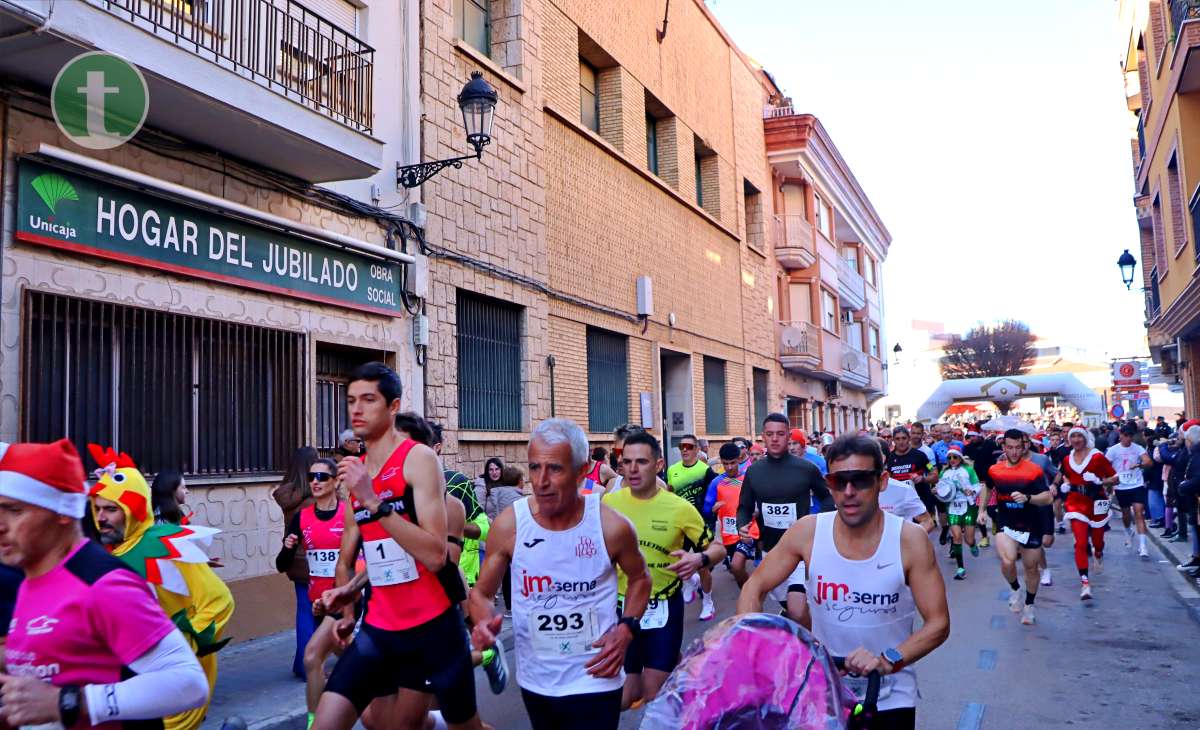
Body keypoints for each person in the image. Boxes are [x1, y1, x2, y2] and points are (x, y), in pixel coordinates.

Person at [736, 435, 950, 730]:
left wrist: (887, 660)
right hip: (824, 691)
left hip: (890, 695)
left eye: (860, 480)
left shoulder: (909, 539)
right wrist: (751, 644)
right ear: (828, 484)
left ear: (882, 481)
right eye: (839, 482)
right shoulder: (808, 532)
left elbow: (938, 623)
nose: (849, 492)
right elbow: (754, 585)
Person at [314, 362, 484, 730]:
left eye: (369, 400)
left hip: (433, 629)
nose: (356, 409)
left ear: (392, 407)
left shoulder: (417, 459)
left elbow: (436, 554)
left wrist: (373, 502)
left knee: (464, 728)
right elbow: (380, 553)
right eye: (351, 400)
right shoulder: (356, 470)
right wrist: (347, 593)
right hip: (378, 627)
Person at [0, 438, 210, 728]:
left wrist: (67, 702)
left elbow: (188, 683)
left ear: (61, 512)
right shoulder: (30, 579)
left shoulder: (102, 583)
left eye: (14, 510)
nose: (0, 524)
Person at [468, 419, 650, 730]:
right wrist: (484, 622)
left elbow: (640, 578)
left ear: (581, 472)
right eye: (535, 468)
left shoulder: (610, 525)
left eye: (555, 469)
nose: (541, 481)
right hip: (537, 678)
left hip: (597, 677)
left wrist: (626, 630)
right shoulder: (511, 525)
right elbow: (482, 594)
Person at [87, 444, 235, 730]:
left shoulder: (166, 545)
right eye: (97, 509)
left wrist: (179, 648)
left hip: (171, 691)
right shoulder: (104, 554)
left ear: (135, 509)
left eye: (111, 509)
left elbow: (219, 601)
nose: (101, 518)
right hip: (123, 687)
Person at [603, 430, 725, 710]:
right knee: (624, 696)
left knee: (652, 692)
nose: (632, 469)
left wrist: (699, 560)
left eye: (642, 462)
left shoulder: (679, 508)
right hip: (622, 607)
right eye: (627, 461)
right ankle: (684, 666)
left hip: (663, 607)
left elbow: (717, 547)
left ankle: (686, 685)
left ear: (658, 465)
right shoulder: (609, 504)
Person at [736, 413, 832, 621]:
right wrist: (742, 525)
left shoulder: (806, 469)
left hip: (799, 552)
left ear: (788, 436)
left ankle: (809, 650)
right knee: (784, 607)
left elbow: (828, 498)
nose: (775, 439)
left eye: (780, 434)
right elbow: (743, 506)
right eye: (770, 434)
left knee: (797, 610)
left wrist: (817, 523)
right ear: (763, 437)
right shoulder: (754, 472)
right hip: (771, 552)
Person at [276, 458, 346, 727]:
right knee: (343, 656)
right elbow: (282, 565)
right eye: (311, 476)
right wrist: (287, 547)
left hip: (345, 600)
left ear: (335, 482)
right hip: (317, 602)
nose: (315, 481)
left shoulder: (348, 515)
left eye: (322, 477)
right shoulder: (302, 518)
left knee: (312, 657)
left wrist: (350, 589)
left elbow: (363, 558)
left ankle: (316, 722)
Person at [979, 429, 1054, 625]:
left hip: (1031, 523)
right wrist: (982, 510)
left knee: (1031, 568)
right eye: (1009, 448)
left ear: (1024, 447)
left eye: (1017, 448)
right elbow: (987, 487)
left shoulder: (1033, 470)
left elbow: (1047, 497)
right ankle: (1014, 588)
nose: (1013, 452)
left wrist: (1028, 498)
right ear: (1003, 447)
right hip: (1006, 521)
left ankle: (1029, 605)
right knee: (1008, 560)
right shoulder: (995, 470)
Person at [274, 445, 319, 679]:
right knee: (324, 612)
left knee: (304, 610)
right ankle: (310, 664)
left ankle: (301, 663)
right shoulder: (318, 494)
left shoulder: (286, 494)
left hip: (295, 560)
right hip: (320, 559)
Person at [1058, 426, 1118, 599]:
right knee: (1081, 542)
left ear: (1085, 438)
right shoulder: (1067, 458)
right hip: (1076, 501)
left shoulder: (1097, 457)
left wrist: (1100, 481)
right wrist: (1065, 484)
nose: (1076, 440)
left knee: (1098, 541)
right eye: (1073, 436)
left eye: (1079, 436)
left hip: (1098, 501)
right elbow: (1066, 475)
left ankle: (1098, 553)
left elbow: (1115, 478)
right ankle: (1085, 582)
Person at [428, 422, 489, 588]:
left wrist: (454, 527)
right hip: (423, 583)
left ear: (437, 448)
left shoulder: (456, 482)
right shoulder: (402, 486)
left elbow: (484, 528)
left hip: (463, 580)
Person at [665, 434, 716, 621]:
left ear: (696, 449)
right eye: (681, 446)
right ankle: (690, 580)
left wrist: (714, 510)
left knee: (703, 566)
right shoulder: (672, 470)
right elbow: (669, 493)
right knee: (675, 561)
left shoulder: (705, 471)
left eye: (688, 446)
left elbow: (715, 494)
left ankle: (708, 603)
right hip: (680, 523)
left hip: (702, 523)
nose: (684, 449)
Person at [702, 442, 759, 587]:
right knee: (736, 570)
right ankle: (748, 595)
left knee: (736, 565)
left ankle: (750, 594)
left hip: (749, 531)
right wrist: (712, 509)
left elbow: (762, 499)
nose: (729, 467)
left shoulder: (749, 477)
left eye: (733, 463)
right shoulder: (717, 483)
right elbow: (706, 510)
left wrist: (757, 509)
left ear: (739, 460)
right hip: (729, 534)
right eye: (725, 463)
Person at [1105, 423, 1154, 559]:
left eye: (1130, 436)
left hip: (1136, 484)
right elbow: (1105, 466)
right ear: (1120, 435)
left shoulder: (1137, 448)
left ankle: (1143, 547)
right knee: (1126, 514)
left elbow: (1149, 462)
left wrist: (1139, 464)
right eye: (1125, 436)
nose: (1128, 439)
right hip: (1121, 486)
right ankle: (1128, 531)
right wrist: (1110, 480)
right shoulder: (1113, 450)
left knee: (1139, 513)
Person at [939, 449, 980, 580]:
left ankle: (973, 545)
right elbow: (941, 488)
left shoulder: (968, 470)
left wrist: (972, 492)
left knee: (968, 539)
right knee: (956, 536)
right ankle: (960, 568)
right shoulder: (944, 472)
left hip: (968, 506)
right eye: (949, 457)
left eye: (955, 457)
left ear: (960, 458)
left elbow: (978, 486)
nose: (952, 460)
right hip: (952, 507)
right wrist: (936, 490)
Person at [885, 427, 936, 528]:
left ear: (909, 438)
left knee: (920, 535)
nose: (901, 442)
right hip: (899, 504)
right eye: (897, 439)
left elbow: (934, 474)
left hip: (920, 502)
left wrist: (923, 478)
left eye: (904, 438)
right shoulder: (889, 459)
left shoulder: (920, 456)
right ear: (893, 440)